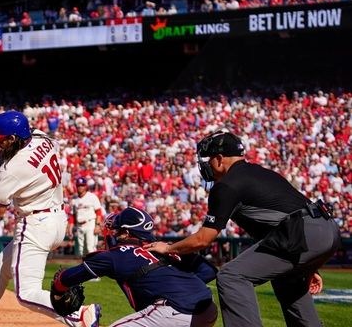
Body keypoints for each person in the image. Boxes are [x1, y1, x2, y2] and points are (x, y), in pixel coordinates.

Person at [146, 130, 341, 327]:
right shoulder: (262, 173)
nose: (206, 165)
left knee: (231, 276)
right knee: (286, 280)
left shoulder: (226, 186)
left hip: (301, 234)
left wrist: (168, 248)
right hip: (324, 229)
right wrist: (307, 264)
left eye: (208, 159)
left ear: (220, 158)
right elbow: (290, 213)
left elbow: (203, 239)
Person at [0, 110, 100, 327]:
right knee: (1, 268)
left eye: (1, 139)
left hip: (34, 225)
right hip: (55, 219)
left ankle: (80, 314)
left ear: (13, 138)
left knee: (26, 294)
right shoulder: (39, 136)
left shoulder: (14, 169)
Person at [52, 207, 218, 326]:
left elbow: (67, 278)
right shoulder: (166, 246)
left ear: (126, 233)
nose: (113, 234)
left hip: (174, 312)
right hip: (208, 309)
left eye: (116, 231)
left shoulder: (116, 255)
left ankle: (87, 317)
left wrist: (58, 290)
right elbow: (209, 271)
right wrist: (185, 287)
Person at [70, 178, 103, 256]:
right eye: (78, 185)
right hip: (79, 226)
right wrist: (70, 228)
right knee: (80, 251)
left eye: (82, 185)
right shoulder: (75, 200)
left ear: (85, 186)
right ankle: (83, 267)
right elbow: (72, 216)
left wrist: (97, 226)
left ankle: (93, 267)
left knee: (90, 248)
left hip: (90, 224)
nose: (80, 187)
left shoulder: (92, 197)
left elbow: (98, 212)